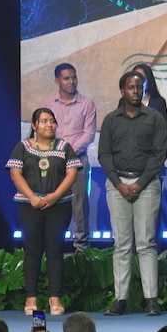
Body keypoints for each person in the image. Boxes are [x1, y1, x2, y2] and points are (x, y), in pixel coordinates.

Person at [99, 71, 167, 316]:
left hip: (146, 184)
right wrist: (119, 184)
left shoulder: (155, 118)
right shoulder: (110, 120)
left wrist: (139, 183)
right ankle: (120, 300)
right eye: (131, 87)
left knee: (146, 243)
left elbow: (159, 154)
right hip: (117, 184)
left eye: (139, 87)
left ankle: (151, 300)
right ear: (122, 91)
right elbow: (104, 155)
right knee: (122, 245)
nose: (136, 91)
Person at [6, 108, 81, 316]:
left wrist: (54, 196)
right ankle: (31, 299)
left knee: (55, 250)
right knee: (32, 251)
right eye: (44, 121)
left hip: (59, 205)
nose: (49, 125)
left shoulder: (64, 147)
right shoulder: (22, 147)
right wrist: (32, 197)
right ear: (34, 126)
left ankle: (54, 299)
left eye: (52, 121)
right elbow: (15, 173)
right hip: (29, 205)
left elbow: (72, 173)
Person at [39, 63, 96, 252]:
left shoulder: (87, 103)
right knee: (51, 205)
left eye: (74, 77)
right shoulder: (47, 104)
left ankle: (82, 251)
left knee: (80, 207)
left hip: (77, 162)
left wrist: (67, 152)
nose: (71, 81)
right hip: (52, 163)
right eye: (66, 78)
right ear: (57, 81)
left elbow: (89, 134)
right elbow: (41, 130)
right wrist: (56, 153)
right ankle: (53, 249)